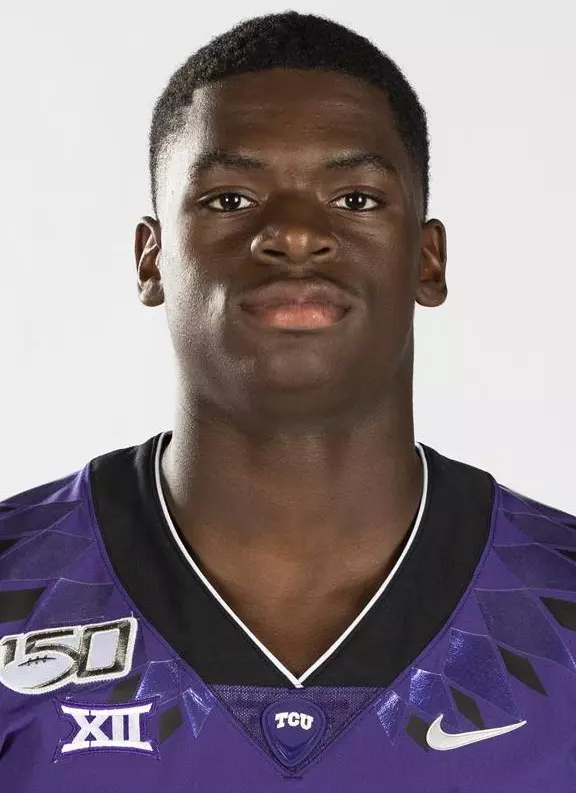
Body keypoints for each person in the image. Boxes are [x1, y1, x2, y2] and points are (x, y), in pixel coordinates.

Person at [1, 9, 574, 792]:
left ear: (428, 260)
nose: (296, 234)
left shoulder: (561, 607)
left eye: (358, 199)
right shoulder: (15, 590)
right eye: (231, 200)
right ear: (151, 258)